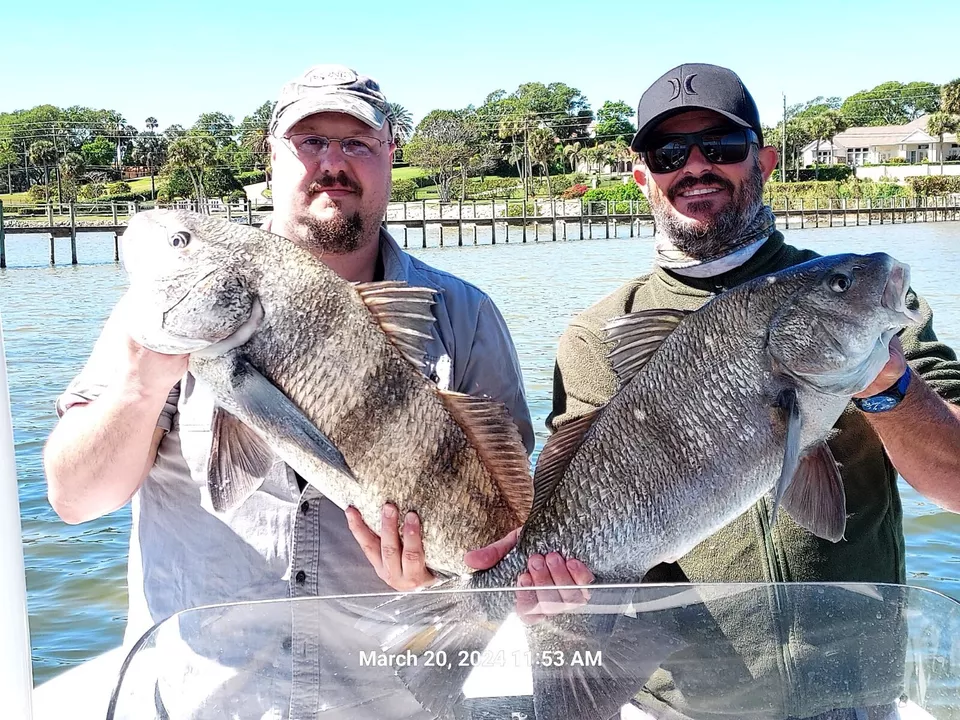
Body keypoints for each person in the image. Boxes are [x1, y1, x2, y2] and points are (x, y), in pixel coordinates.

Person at [42, 64, 587, 716]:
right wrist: (139, 384)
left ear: (390, 154)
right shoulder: (152, 317)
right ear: (271, 156)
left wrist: (437, 580)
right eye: (309, 142)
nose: (333, 162)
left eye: (356, 142)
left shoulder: (464, 316)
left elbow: (499, 531)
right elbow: (74, 499)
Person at [547, 63, 960, 719]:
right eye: (669, 152)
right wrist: (553, 590)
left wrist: (888, 383)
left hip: (857, 699)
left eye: (723, 147)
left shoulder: (864, 303)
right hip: (686, 709)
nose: (696, 166)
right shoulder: (598, 334)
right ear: (642, 177)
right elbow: (574, 520)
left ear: (764, 160)